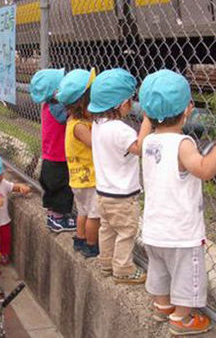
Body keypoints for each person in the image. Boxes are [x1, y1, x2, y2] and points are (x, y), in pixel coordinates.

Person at [139, 69, 216, 335]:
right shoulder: (183, 143)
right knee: (185, 275)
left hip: (153, 229)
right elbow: (205, 169)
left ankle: (162, 306)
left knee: (158, 269)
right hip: (181, 232)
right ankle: (181, 318)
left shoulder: (148, 141)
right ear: (188, 109)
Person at [87, 68, 151, 284]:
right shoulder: (121, 130)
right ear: (122, 104)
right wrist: (147, 122)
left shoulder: (97, 125)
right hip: (123, 196)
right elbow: (139, 148)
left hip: (103, 193)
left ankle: (106, 262)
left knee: (107, 228)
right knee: (126, 231)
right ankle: (123, 269)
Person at [57, 68, 100, 258]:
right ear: (83, 102)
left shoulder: (73, 121)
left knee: (83, 211)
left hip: (79, 179)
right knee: (94, 214)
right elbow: (94, 144)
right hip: (88, 178)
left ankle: (80, 238)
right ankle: (91, 245)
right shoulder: (80, 126)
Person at [30, 69, 76, 232]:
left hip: (50, 156)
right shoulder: (57, 107)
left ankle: (53, 215)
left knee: (53, 189)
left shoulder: (48, 104)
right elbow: (68, 117)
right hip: (59, 157)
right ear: (55, 90)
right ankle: (58, 220)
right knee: (62, 189)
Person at [0, 154, 31, 264]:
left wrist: (21, 187)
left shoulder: (3, 184)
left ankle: (3, 255)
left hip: (3, 221)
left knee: (5, 240)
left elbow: (13, 187)